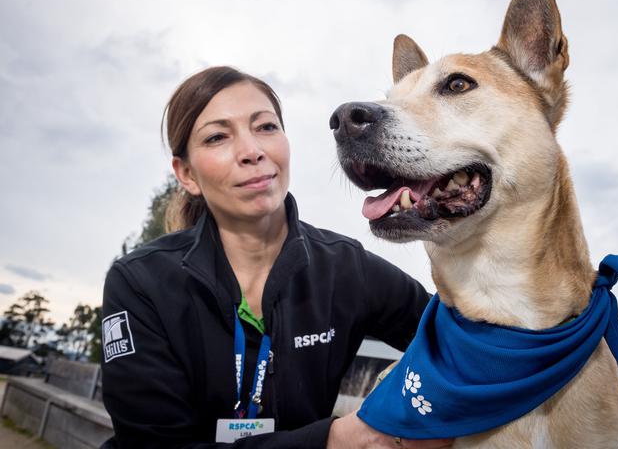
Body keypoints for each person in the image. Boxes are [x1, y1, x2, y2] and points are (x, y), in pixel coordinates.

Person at [101, 66, 453, 449]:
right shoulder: (140, 282)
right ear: (186, 173)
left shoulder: (346, 268)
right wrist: (334, 439)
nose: (252, 151)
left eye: (266, 127)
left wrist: (409, 409)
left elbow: (456, 340)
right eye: (218, 137)